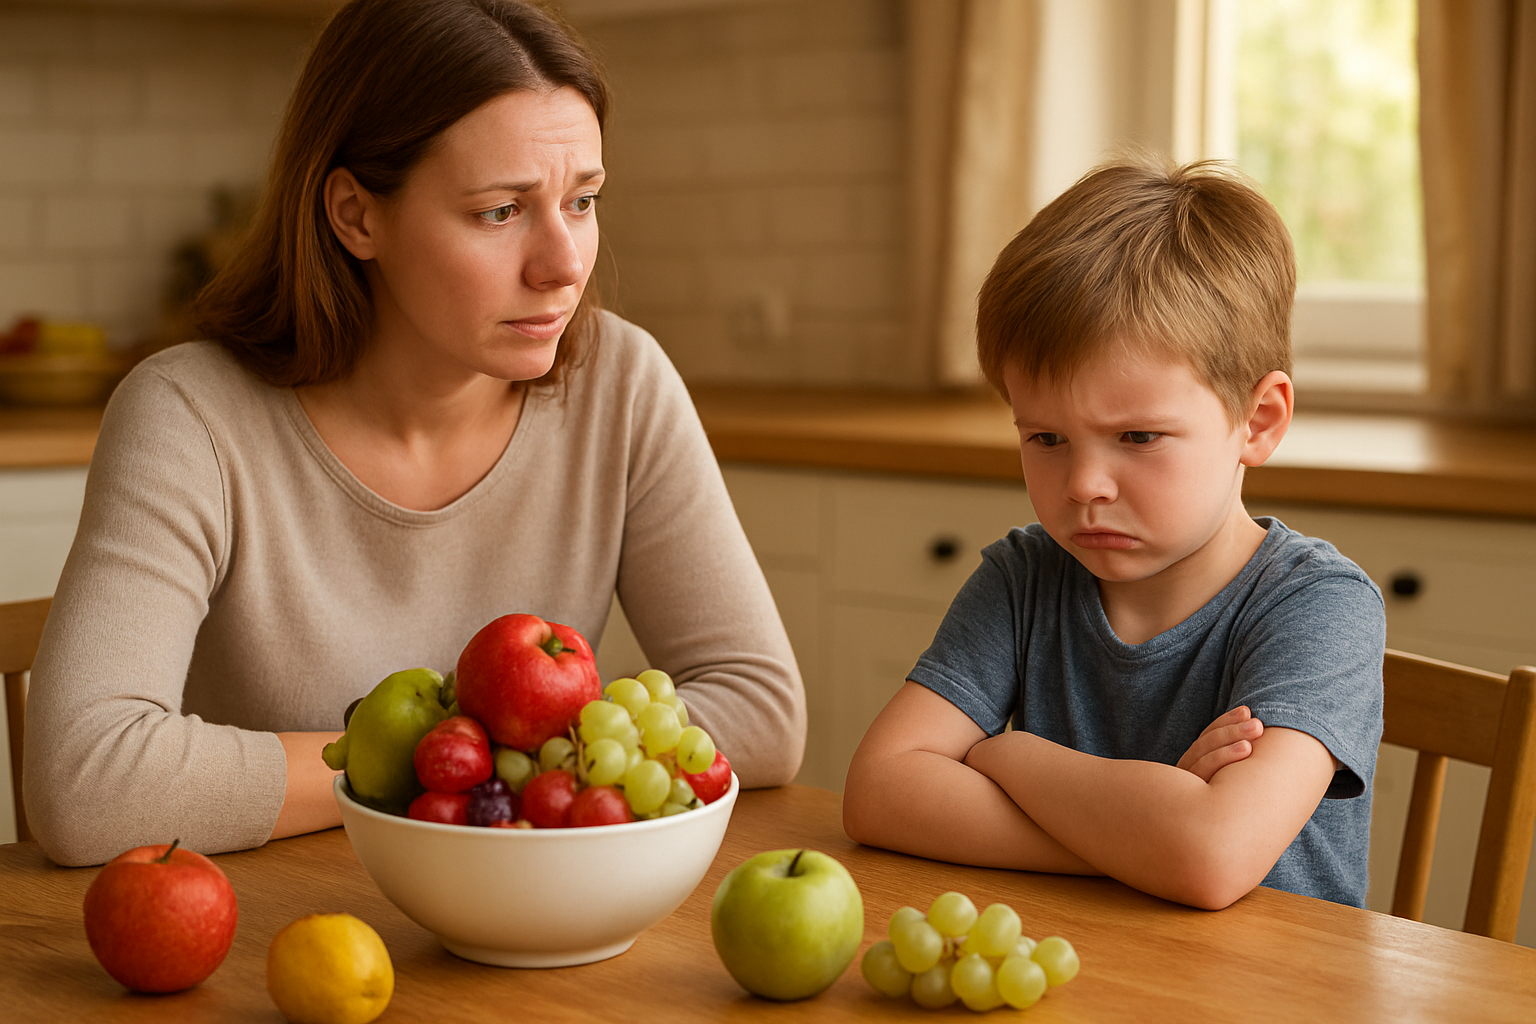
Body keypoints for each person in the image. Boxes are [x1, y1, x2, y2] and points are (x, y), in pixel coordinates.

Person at [25, 0, 805, 867]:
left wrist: (461, 778)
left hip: (525, 945)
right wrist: (465, 782)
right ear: (356, 215)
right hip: (273, 942)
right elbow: (83, 782)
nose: (565, 265)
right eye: (500, 212)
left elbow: (761, 710)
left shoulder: (621, 384)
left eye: (581, 201)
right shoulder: (189, 416)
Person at [842, 159, 1385, 910]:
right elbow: (878, 792)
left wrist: (1013, 756)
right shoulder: (1023, 577)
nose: (1082, 485)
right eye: (1045, 438)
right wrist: (1143, 833)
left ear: (1257, 422)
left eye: (1136, 436)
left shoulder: (1321, 607)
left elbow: (1209, 856)